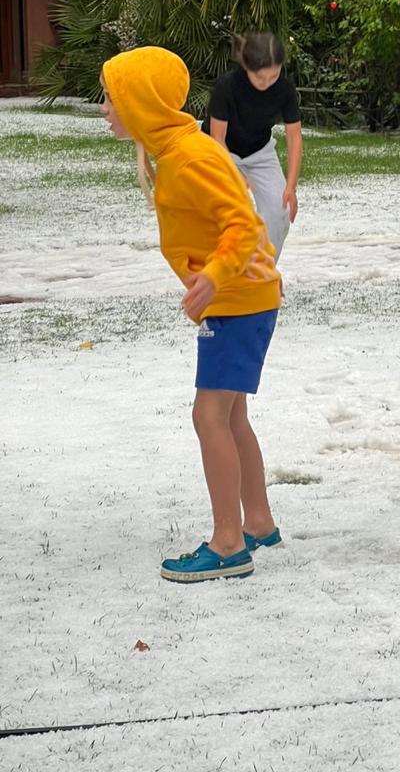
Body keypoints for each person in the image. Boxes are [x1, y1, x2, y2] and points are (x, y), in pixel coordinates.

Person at [101, 46, 284, 581]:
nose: (104, 109)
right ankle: (258, 521)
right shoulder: (175, 150)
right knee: (230, 415)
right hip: (240, 298)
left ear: (142, 103)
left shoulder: (189, 157)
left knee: (209, 416)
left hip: (240, 300)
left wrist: (215, 276)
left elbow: (244, 224)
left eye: (111, 99)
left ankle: (228, 543)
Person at [202, 33, 302, 261]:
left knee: (280, 210)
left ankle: (264, 271)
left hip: (259, 151)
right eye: (260, 77)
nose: (267, 83)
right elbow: (217, 136)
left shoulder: (284, 88)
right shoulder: (227, 85)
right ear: (247, 67)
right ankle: (218, 271)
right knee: (227, 213)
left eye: (273, 76)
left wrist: (291, 186)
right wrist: (235, 175)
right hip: (219, 152)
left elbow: (294, 136)